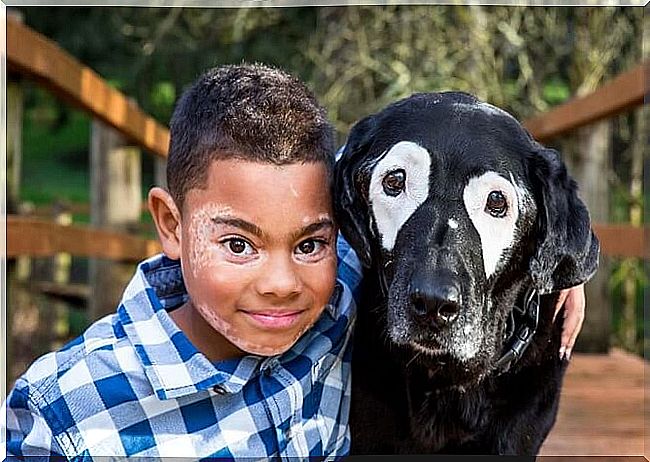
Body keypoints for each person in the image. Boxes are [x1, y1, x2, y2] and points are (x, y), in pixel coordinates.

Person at [2, 63, 585, 459]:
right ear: (172, 226)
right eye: (237, 244)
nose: (281, 283)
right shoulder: (64, 408)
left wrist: (560, 269)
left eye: (310, 243)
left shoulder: (332, 302)